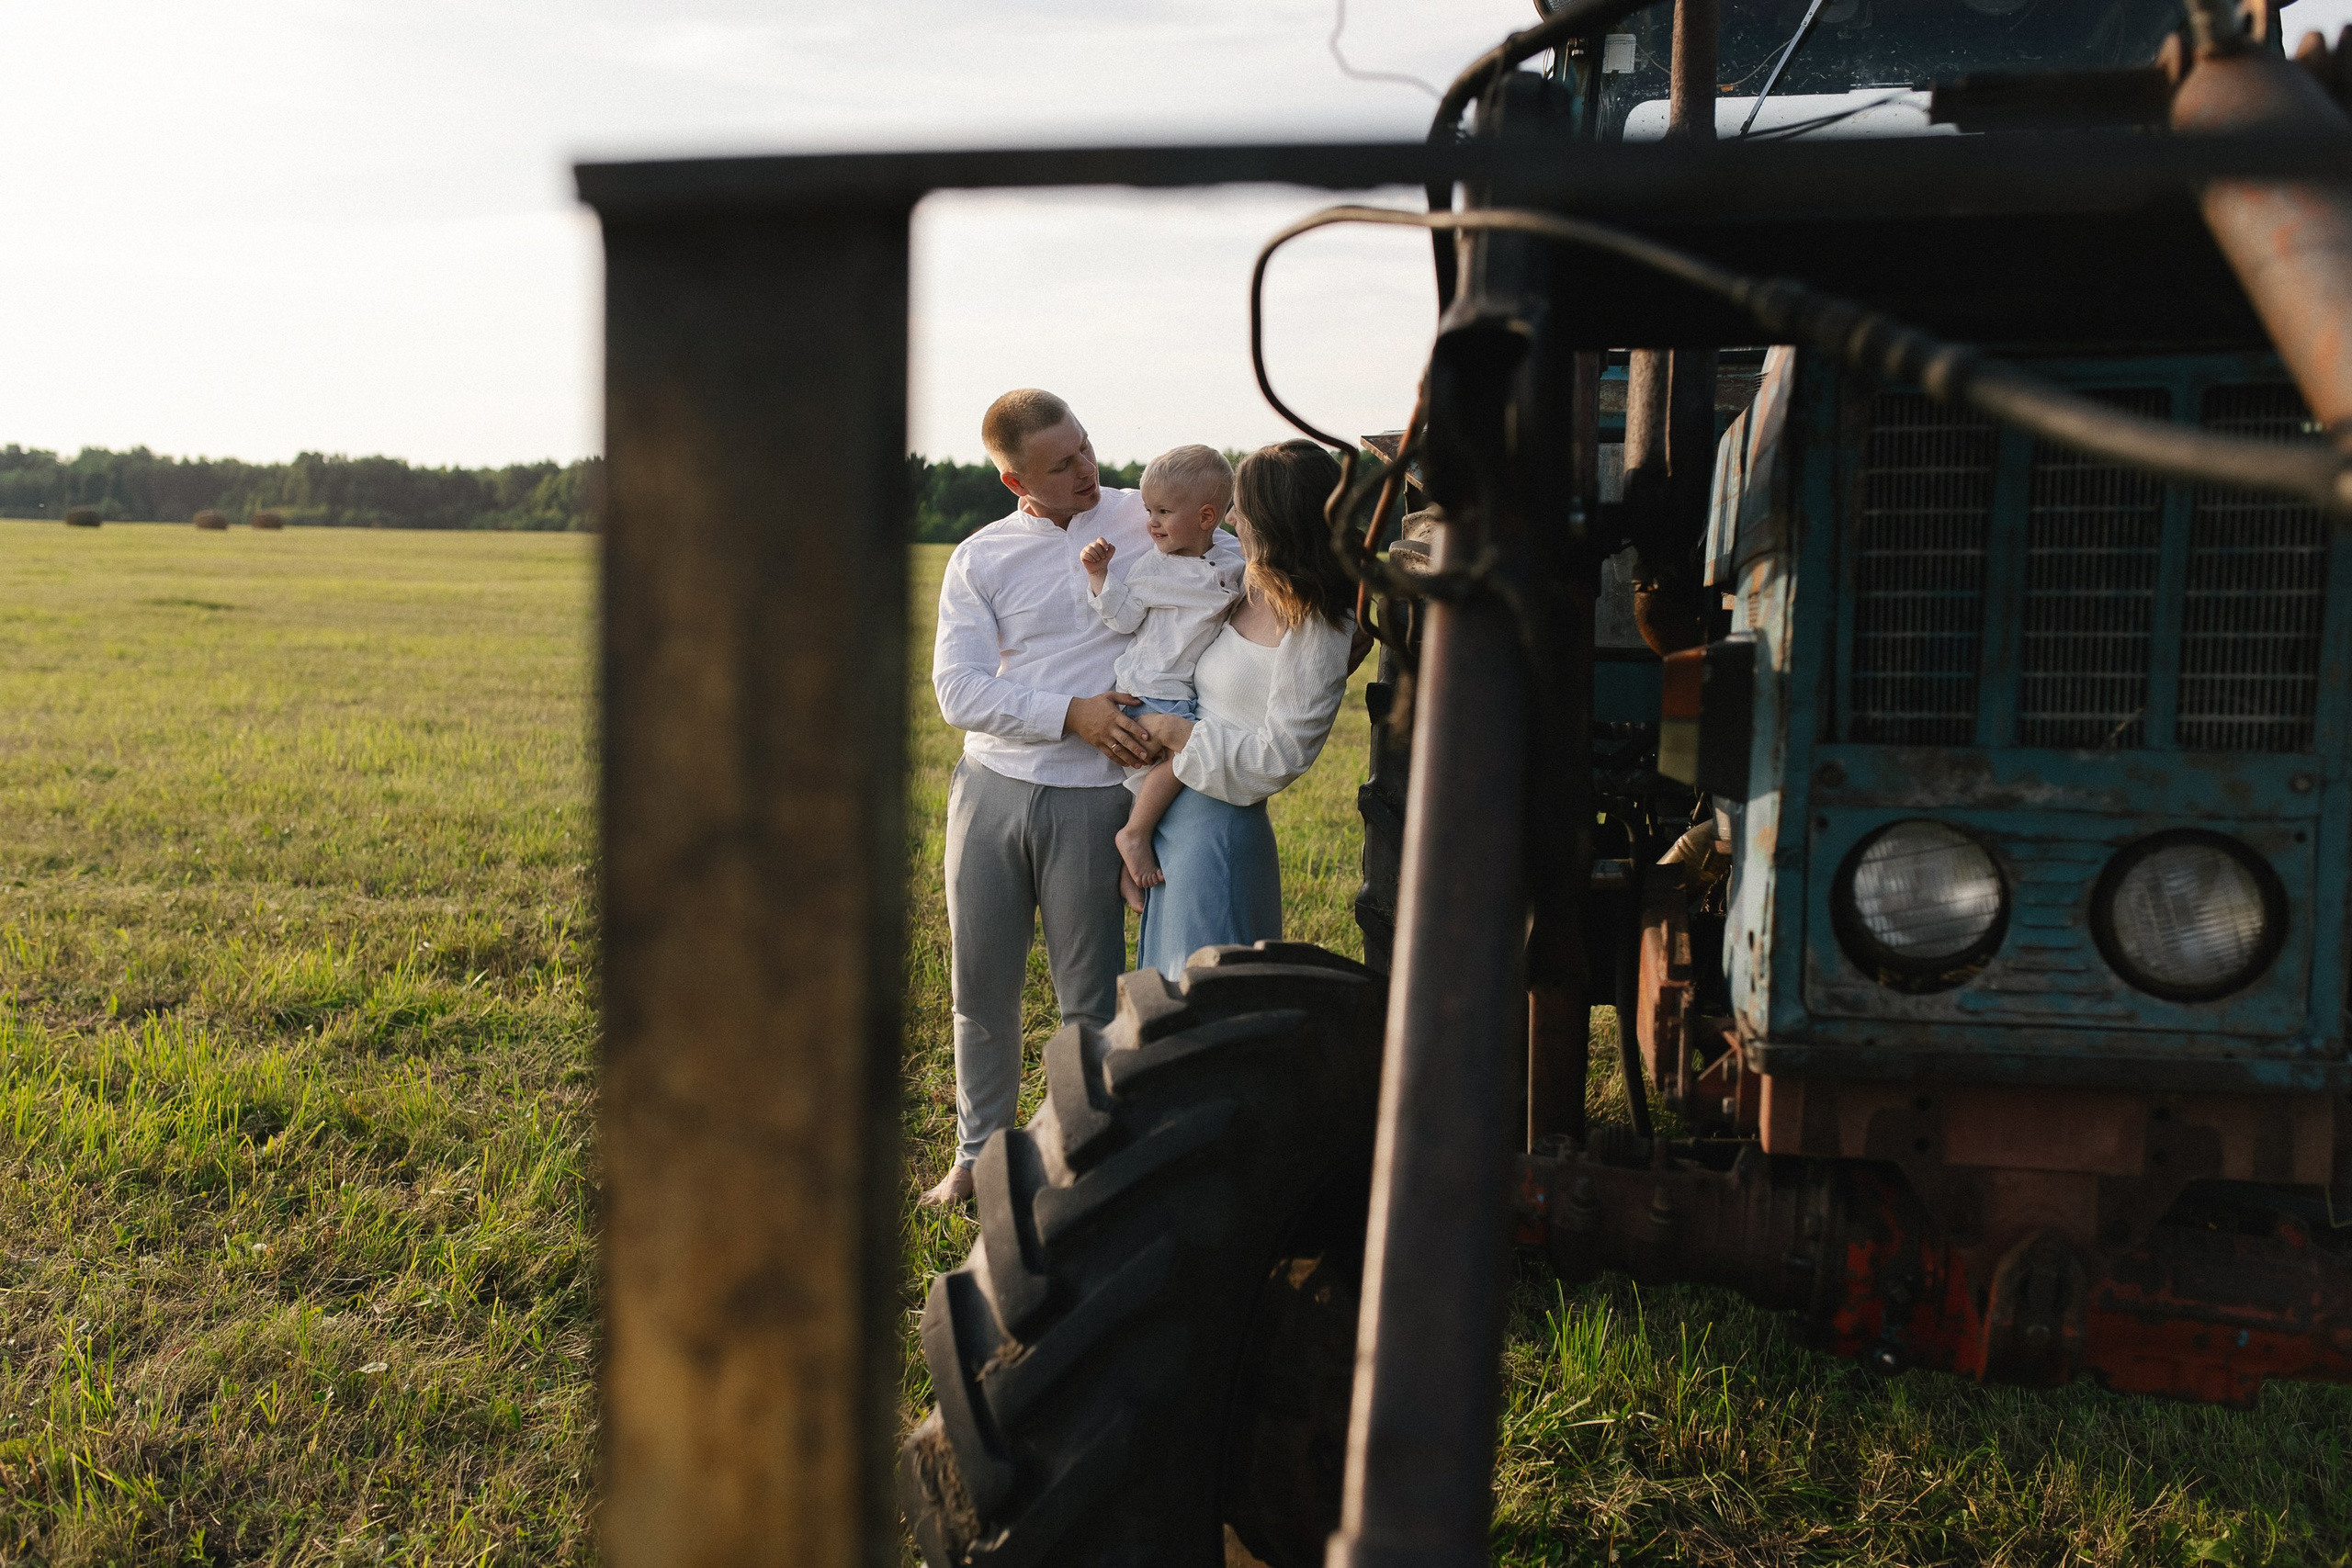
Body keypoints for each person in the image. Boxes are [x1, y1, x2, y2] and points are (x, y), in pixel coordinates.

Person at [924, 389, 1163, 1208]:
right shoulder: (979, 557)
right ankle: (976, 1157)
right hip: (990, 792)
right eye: (1061, 465)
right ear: (1013, 479)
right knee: (981, 988)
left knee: (1088, 999)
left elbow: (1240, 561)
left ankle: (1078, 1154)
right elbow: (958, 690)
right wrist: (1072, 714)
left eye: (1087, 448)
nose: (1086, 470)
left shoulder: (1148, 517)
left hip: (1097, 800)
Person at [1129, 439, 1367, 976]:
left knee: (1211, 1010)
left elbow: (1279, 758)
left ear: (1276, 520)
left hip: (1221, 832)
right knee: (1168, 1004)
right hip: (1176, 819)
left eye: (1243, 508)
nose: (1232, 519)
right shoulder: (1247, 581)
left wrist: (1173, 731)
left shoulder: (1318, 622)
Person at [1076, 445, 1245, 910]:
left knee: (1155, 777)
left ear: (1207, 516)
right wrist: (1099, 576)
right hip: (1153, 684)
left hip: (1180, 689)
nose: (1151, 522)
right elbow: (1124, 618)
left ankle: (1128, 862)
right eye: (1149, 510)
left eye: (1164, 512)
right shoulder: (1153, 566)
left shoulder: (1232, 561)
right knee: (1181, 756)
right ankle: (1134, 835)